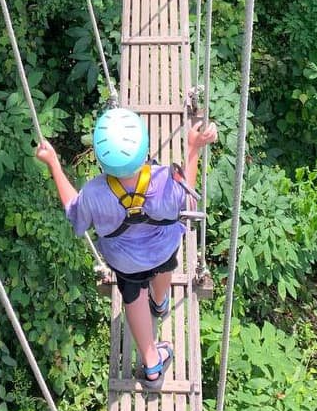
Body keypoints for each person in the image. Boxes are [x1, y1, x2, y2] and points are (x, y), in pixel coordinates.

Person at [35, 108, 218, 389]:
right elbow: (189, 205)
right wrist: (193, 149)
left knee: (132, 298)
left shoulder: (94, 193)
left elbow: (74, 212)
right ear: (145, 150)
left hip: (125, 260)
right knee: (164, 268)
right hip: (162, 246)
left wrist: (54, 166)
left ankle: (152, 366)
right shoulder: (165, 179)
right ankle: (160, 302)